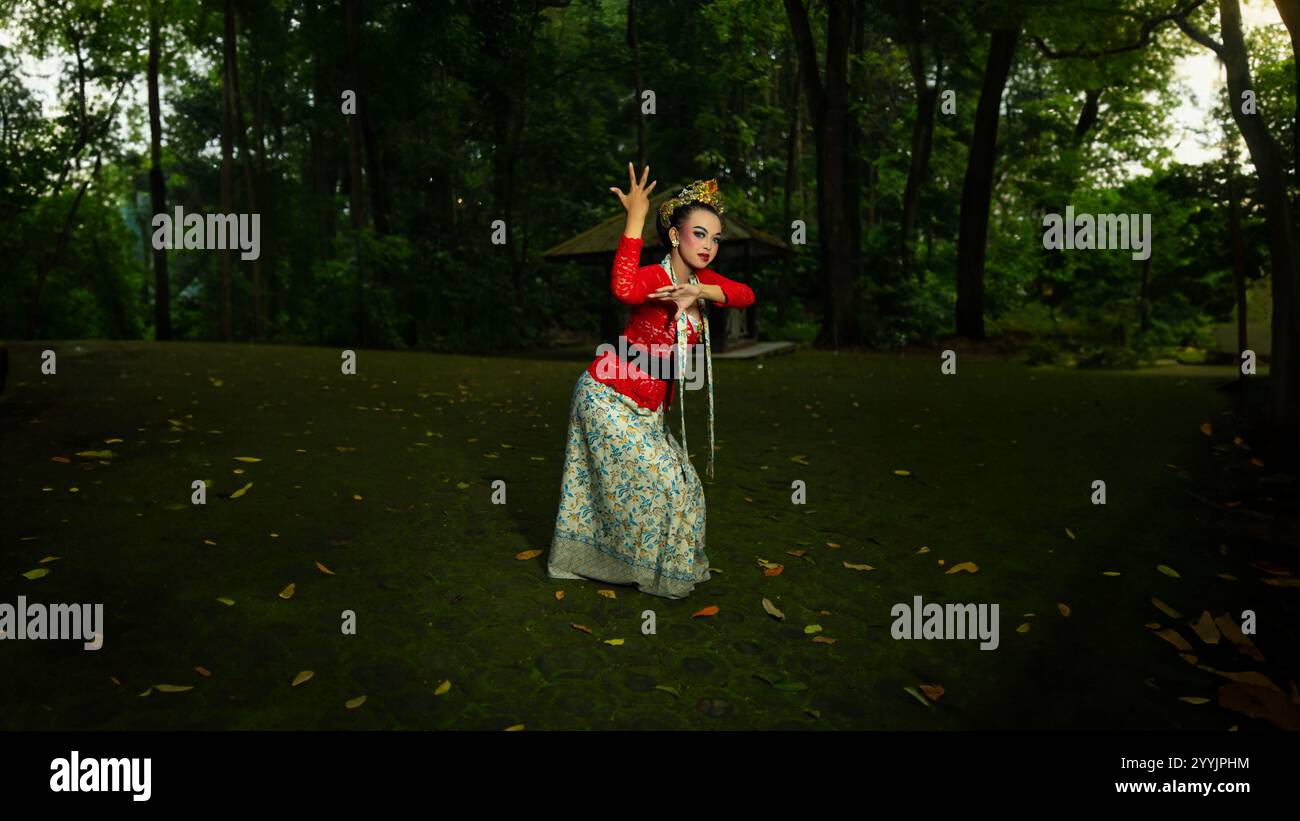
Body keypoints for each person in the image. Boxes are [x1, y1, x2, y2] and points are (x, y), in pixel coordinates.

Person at [546, 163, 755, 599]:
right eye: (700, 234)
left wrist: (700, 292)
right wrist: (635, 218)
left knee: (686, 486)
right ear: (676, 235)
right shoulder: (657, 277)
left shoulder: (700, 280)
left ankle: (657, 567)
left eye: (716, 238)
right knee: (664, 482)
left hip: (648, 408)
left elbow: (745, 294)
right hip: (607, 395)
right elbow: (622, 287)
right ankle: (606, 562)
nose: (710, 246)